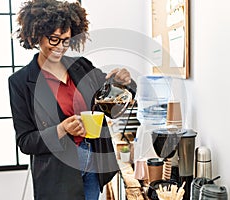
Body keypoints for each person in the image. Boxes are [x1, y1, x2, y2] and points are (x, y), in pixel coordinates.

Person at [8, 0, 137, 199]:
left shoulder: (81, 66)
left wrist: (124, 83)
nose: (60, 46)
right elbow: (26, 142)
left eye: (66, 40)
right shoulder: (21, 82)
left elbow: (111, 102)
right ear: (37, 36)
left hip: (93, 164)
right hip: (58, 175)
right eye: (54, 39)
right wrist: (61, 129)